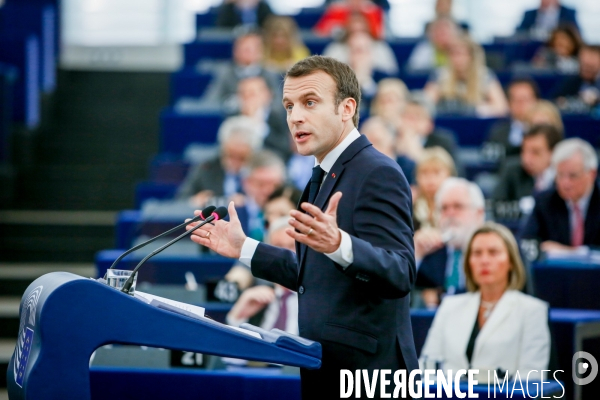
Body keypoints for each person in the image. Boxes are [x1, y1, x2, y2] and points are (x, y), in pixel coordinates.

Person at [187, 55, 418, 398]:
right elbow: (316, 276)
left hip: (371, 376)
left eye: (310, 103)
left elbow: (400, 272)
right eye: (289, 105)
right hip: (326, 368)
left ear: (346, 108)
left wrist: (340, 244)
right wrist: (244, 248)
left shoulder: (376, 172)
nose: (295, 116)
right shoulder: (323, 174)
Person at [420, 222, 551, 379]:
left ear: (511, 261)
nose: (484, 260)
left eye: (493, 252)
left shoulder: (532, 311)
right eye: (477, 253)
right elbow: (427, 366)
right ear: (468, 262)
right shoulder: (450, 306)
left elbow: (532, 377)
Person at [414, 177, 485, 308]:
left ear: (479, 213)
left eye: (458, 206)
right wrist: (416, 254)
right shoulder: (431, 251)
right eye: (444, 208)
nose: (450, 213)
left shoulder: (494, 251)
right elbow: (403, 292)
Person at [522, 138, 600, 252]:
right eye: (560, 175)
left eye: (573, 176)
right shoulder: (545, 201)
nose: (565, 183)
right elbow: (526, 242)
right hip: (556, 270)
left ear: (592, 174)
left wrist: (570, 252)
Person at [226, 217, 299, 334]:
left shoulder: (316, 296)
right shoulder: (257, 294)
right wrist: (237, 316)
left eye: (292, 246)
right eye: (278, 247)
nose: (285, 254)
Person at [176, 116, 263, 205]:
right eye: (230, 155)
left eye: (241, 158)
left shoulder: (263, 170)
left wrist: (249, 202)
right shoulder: (207, 167)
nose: (234, 162)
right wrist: (195, 201)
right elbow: (181, 199)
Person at [424, 35, 509, 117]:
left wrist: (479, 109)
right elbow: (426, 104)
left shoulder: (485, 75)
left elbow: (502, 108)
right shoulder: (440, 74)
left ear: (472, 56)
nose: (457, 59)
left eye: (461, 54)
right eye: (453, 54)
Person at [202, 31, 280, 111]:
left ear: (261, 51)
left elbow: (279, 106)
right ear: (235, 51)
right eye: (245, 49)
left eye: (253, 48)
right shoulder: (225, 74)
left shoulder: (269, 75)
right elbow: (210, 102)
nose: (249, 52)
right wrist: (233, 104)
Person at [493, 124, 562, 204]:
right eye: (523, 151)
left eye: (536, 152)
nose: (526, 159)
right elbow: (497, 204)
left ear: (553, 152)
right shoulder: (513, 170)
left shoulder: (564, 176)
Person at [234, 76, 292, 162]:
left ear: (267, 95)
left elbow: (286, 148)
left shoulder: (280, 117)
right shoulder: (233, 119)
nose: (247, 99)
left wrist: (259, 126)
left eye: (252, 94)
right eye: (243, 94)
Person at [323, 12, 399, 76]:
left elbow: (391, 72)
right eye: (353, 32)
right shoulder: (335, 48)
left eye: (362, 31)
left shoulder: (380, 47)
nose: (358, 36)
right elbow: (326, 74)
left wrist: (367, 61)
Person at [485, 78, 540, 160]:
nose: (521, 104)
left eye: (525, 99)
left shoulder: (544, 129)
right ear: (509, 103)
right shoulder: (498, 132)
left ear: (536, 101)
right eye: (516, 100)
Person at [397, 98, 460, 169]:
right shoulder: (390, 139)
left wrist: (416, 151)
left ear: (430, 124)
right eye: (407, 116)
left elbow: (456, 171)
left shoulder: (443, 141)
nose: (411, 122)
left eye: (417, 116)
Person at [412, 147, 456, 231]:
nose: (430, 179)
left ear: (449, 174)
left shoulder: (457, 207)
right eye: (424, 173)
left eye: (436, 172)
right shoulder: (410, 207)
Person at [553, 45, 600, 110]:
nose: (587, 69)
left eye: (591, 66)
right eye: (584, 65)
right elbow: (553, 100)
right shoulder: (570, 82)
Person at [313, 0, 385, 40]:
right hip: (340, 46)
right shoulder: (336, 10)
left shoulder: (374, 11)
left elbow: (380, 36)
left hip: (368, 47)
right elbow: (319, 33)